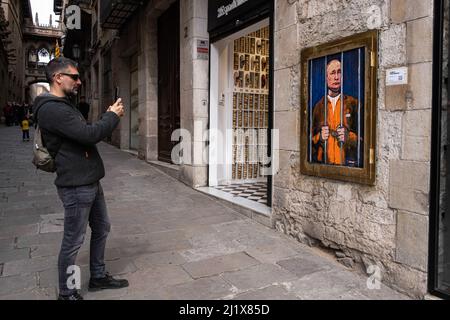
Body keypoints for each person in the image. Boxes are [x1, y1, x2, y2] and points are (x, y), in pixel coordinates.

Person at [33, 57, 128, 300]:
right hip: (76, 185)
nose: (79, 81)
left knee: (102, 227)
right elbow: (89, 135)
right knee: (73, 240)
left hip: (89, 180)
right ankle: (66, 292)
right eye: (74, 77)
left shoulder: (64, 104)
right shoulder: (52, 109)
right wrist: (112, 116)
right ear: (58, 78)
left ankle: (97, 276)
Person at [311, 59, 359, 166]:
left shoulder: (354, 104)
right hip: (323, 165)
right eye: (333, 73)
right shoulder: (318, 107)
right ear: (326, 78)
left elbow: (366, 138)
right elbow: (308, 140)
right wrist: (320, 137)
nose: (336, 77)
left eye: (339, 72)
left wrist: (349, 137)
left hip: (348, 165)